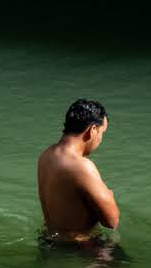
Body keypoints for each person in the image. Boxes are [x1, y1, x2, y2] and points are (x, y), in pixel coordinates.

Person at [37, 99, 119, 244]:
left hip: (49, 240)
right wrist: (109, 194)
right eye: (102, 133)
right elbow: (112, 221)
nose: (100, 140)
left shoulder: (47, 155)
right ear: (92, 130)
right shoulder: (82, 167)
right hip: (81, 247)